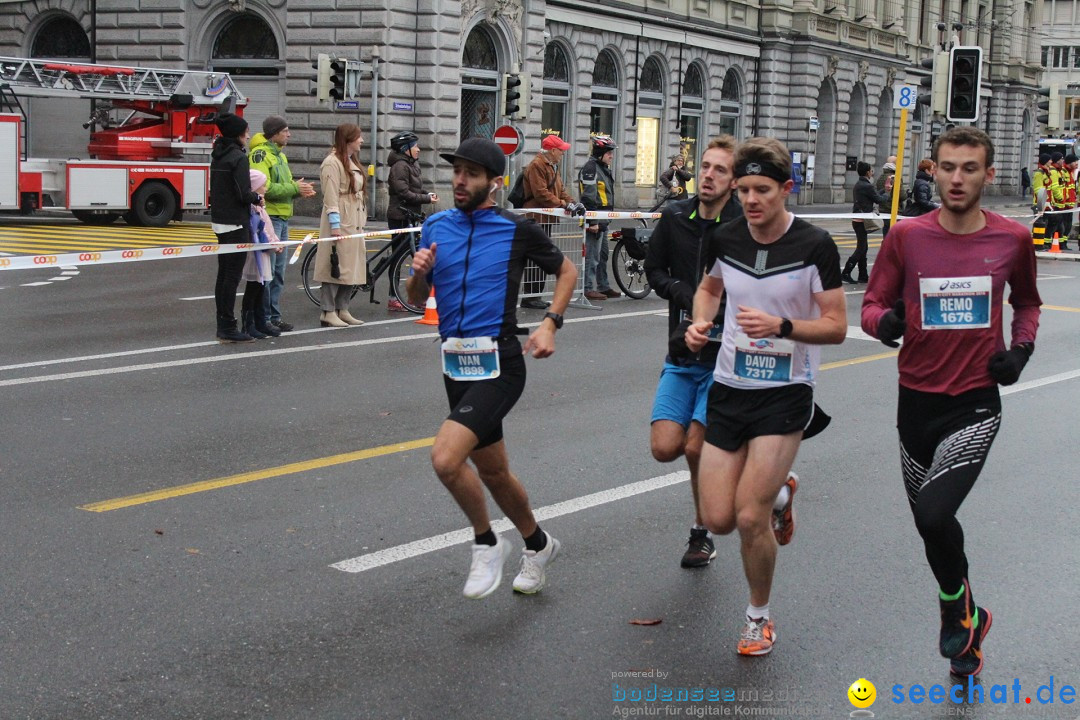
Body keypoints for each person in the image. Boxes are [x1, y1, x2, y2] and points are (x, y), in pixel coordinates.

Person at [861, 126, 1041, 679]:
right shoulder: (907, 237)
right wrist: (885, 323)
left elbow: (1029, 304)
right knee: (927, 525)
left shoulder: (1012, 239)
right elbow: (871, 305)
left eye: (969, 168)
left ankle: (950, 610)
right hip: (914, 401)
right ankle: (969, 617)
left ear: (989, 175)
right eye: (947, 167)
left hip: (974, 402)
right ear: (931, 170)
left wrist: (1021, 352)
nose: (957, 178)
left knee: (938, 512)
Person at [685, 137, 847, 656]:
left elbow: (836, 326)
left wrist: (782, 325)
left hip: (785, 390)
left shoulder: (815, 245)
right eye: (744, 188)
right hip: (730, 386)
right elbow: (710, 288)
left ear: (786, 190)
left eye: (762, 190)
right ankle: (782, 491)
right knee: (717, 518)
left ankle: (758, 618)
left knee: (750, 518)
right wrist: (701, 319)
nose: (751, 199)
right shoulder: (726, 237)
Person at [405, 137, 578, 598]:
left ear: (494, 183)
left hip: (499, 362)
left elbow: (567, 271)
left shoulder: (514, 228)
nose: (460, 181)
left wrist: (549, 324)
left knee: (445, 459)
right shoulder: (436, 226)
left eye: (472, 174)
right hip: (455, 364)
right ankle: (538, 545)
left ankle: (486, 542)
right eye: (457, 171)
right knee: (495, 473)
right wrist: (420, 273)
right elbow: (418, 299)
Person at [645, 135, 749, 569]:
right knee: (665, 447)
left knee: (695, 448)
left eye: (719, 170)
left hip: (727, 359)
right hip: (682, 353)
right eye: (705, 166)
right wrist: (681, 292)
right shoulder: (675, 218)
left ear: (733, 181)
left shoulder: (743, 226)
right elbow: (654, 269)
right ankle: (770, 483)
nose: (708, 175)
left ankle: (701, 532)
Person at [248, 115, 316, 333]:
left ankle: (274, 316)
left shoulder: (280, 156)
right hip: (270, 219)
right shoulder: (260, 155)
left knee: (279, 272)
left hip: (283, 217)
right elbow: (264, 188)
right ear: (274, 133)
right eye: (285, 130)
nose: (289, 134)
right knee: (268, 272)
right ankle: (265, 318)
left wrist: (298, 189)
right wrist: (294, 189)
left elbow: (282, 186)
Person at [209, 112, 261, 343]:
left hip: (220, 220)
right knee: (232, 276)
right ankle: (228, 327)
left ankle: (224, 323)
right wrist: (257, 198)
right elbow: (242, 193)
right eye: (246, 131)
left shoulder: (218, 155)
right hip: (236, 222)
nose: (248, 136)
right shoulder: (238, 158)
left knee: (223, 275)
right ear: (238, 134)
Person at [522, 133, 584, 309]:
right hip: (536, 218)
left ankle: (535, 295)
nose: (563, 154)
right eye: (561, 151)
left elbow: (560, 190)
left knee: (541, 257)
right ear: (552, 150)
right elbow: (541, 193)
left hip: (545, 217)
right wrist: (563, 204)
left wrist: (572, 202)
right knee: (536, 258)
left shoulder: (551, 166)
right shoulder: (537, 165)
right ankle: (530, 296)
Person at [315, 123, 368, 328]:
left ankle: (342, 308)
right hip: (341, 220)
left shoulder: (350, 160)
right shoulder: (332, 163)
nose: (362, 140)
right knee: (334, 265)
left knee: (352, 265)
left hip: (354, 220)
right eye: (358, 137)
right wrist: (335, 225)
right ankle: (328, 311)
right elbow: (330, 196)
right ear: (348, 140)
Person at [386, 130, 439, 311]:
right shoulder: (400, 166)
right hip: (399, 216)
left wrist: (426, 194)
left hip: (409, 214)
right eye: (415, 146)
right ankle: (394, 297)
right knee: (399, 257)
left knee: (412, 256)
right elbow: (403, 192)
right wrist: (425, 199)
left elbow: (413, 189)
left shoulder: (411, 164)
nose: (418, 149)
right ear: (406, 148)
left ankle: (412, 296)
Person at [240, 169, 282, 340]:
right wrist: (273, 243)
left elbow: (268, 228)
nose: (265, 188)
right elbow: (260, 230)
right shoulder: (252, 209)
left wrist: (276, 241)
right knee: (254, 288)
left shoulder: (260, 207)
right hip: (256, 254)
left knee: (261, 286)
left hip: (263, 252)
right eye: (262, 185)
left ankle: (259, 321)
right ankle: (248, 324)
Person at [578, 135, 620, 301]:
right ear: (600, 153)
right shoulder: (591, 168)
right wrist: (592, 221)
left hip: (604, 218)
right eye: (609, 153)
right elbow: (588, 197)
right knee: (592, 255)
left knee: (602, 255)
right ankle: (588, 288)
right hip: (595, 217)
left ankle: (603, 286)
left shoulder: (602, 168)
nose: (611, 156)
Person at [844, 161, 888, 284]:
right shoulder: (866, 185)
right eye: (871, 170)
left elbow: (872, 196)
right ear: (868, 172)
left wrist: (884, 190)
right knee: (861, 247)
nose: (872, 173)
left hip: (858, 220)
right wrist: (888, 194)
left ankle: (863, 275)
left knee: (864, 247)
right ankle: (846, 272)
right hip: (861, 221)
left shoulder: (859, 184)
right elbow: (878, 199)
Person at [875, 156, 897, 236]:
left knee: (886, 233)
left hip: (883, 208)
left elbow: (878, 191)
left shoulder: (881, 177)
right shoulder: (895, 177)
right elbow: (902, 194)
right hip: (893, 209)